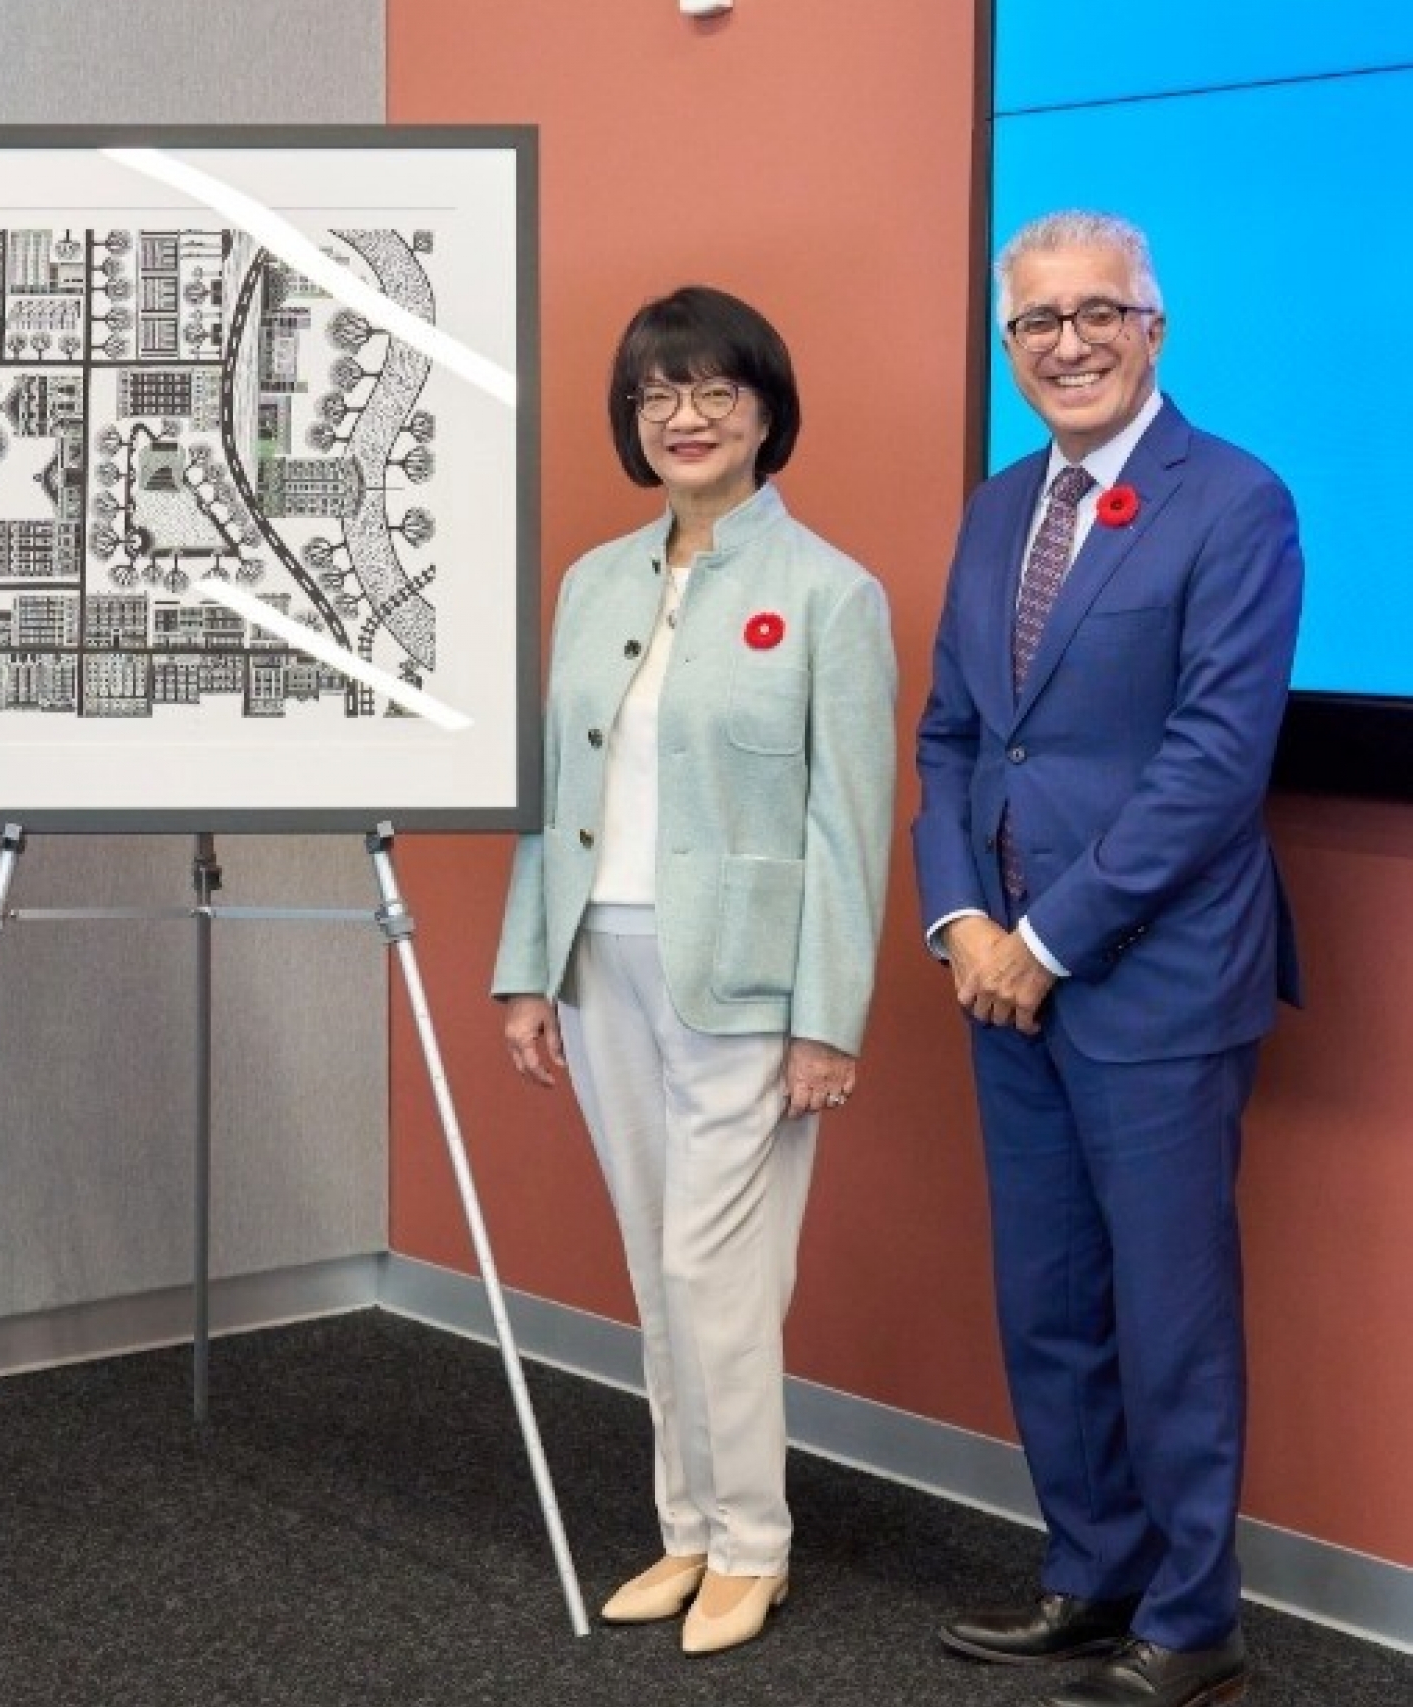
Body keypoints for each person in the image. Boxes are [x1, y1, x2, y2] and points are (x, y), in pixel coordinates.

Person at [917, 211, 1300, 1707]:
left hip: (1150, 981)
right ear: (1009, 345)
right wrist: (961, 924)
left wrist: (1047, 940)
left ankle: (1194, 1619)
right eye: (1035, 324)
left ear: (1155, 328)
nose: (1065, 344)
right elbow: (954, 735)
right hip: (995, 977)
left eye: (1097, 315)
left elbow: (1213, 767)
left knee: (1170, 1313)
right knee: (1050, 1303)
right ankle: (1092, 1576)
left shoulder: (1237, 501)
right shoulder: (1001, 503)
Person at [492, 286, 896, 1656]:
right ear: (632, 420)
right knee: (656, 1267)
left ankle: (756, 1543)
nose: (686, 415)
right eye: (658, 395)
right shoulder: (595, 582)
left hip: (751, 980)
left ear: (766, 410)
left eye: (716, 390)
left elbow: (847, 825)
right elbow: (558, 793)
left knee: (717, 1271)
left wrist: (827, 1019)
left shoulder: (831, 592)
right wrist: (524, 968)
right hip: (602, 958)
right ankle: (687, 1530)